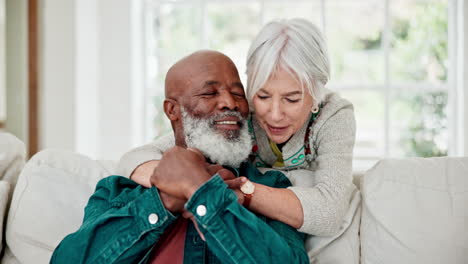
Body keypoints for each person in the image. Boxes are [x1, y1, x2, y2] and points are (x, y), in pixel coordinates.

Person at [119, 18, 359, 260]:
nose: (274, 115)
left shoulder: (334, 115)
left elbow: (330, 211)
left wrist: (242, 192)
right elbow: (135, 158)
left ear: (316, 92)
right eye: (263, 96)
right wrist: (191, 183)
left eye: (292, 99)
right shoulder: (239, 110)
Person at [50, 50, 309, 264]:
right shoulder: (119, 191)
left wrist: (201, 191)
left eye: (238, 93)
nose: (230, 103)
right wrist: (163, 201)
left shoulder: (271, 188)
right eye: (209, 93)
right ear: (173, 110)